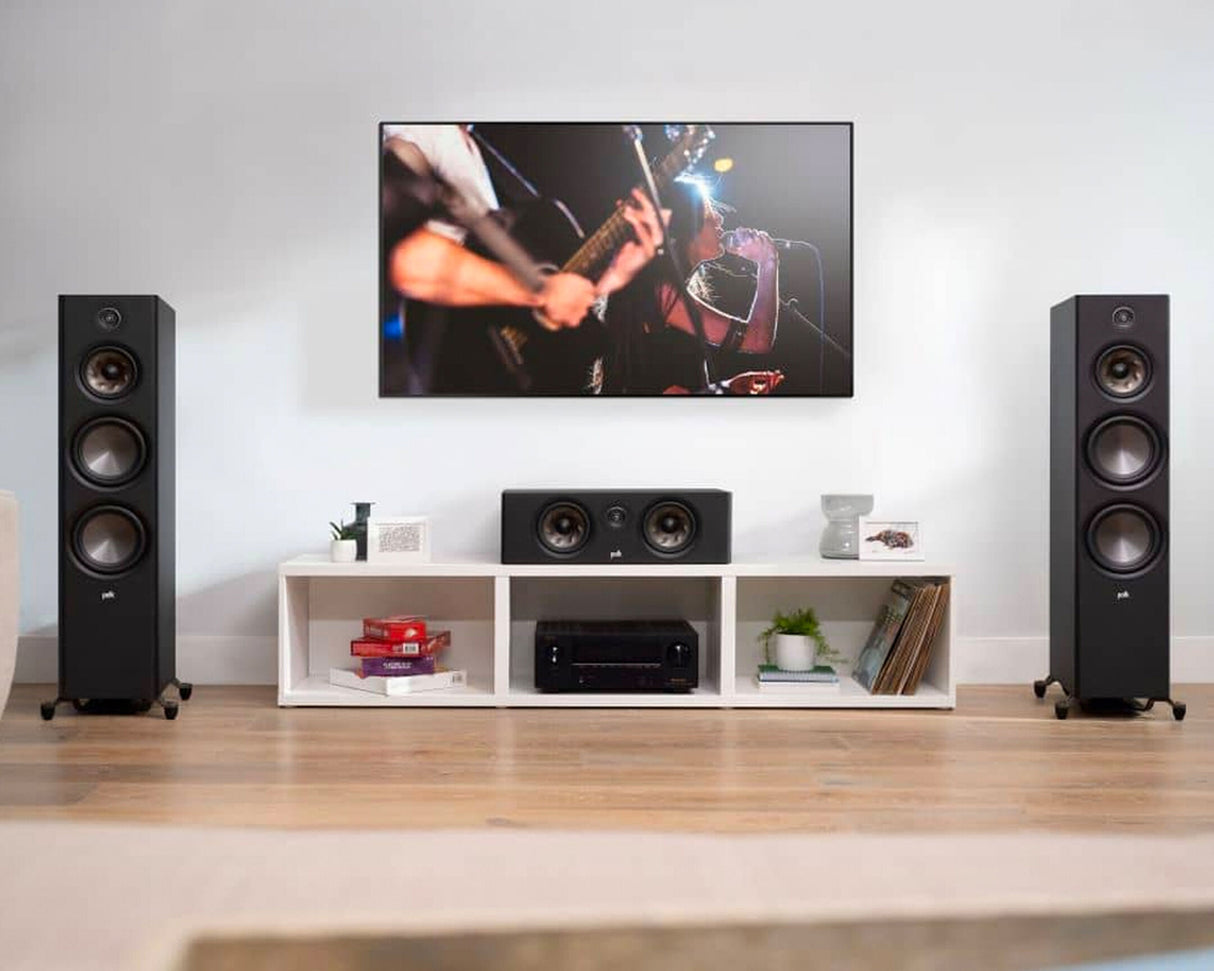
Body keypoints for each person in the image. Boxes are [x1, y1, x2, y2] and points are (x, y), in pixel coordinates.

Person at [381, 125, 666, 393]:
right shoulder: (422, 131)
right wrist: (538, 293)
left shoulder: (471, 146)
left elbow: (525, 293)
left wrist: (608, 277)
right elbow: (411, 262)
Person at [597, 178, 784, 395]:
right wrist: (768, 262)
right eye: (707, 216)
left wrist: (724, 388)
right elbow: (758, 338)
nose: (719, 218)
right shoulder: (661, 293)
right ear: (683, 229)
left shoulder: (659, 291)